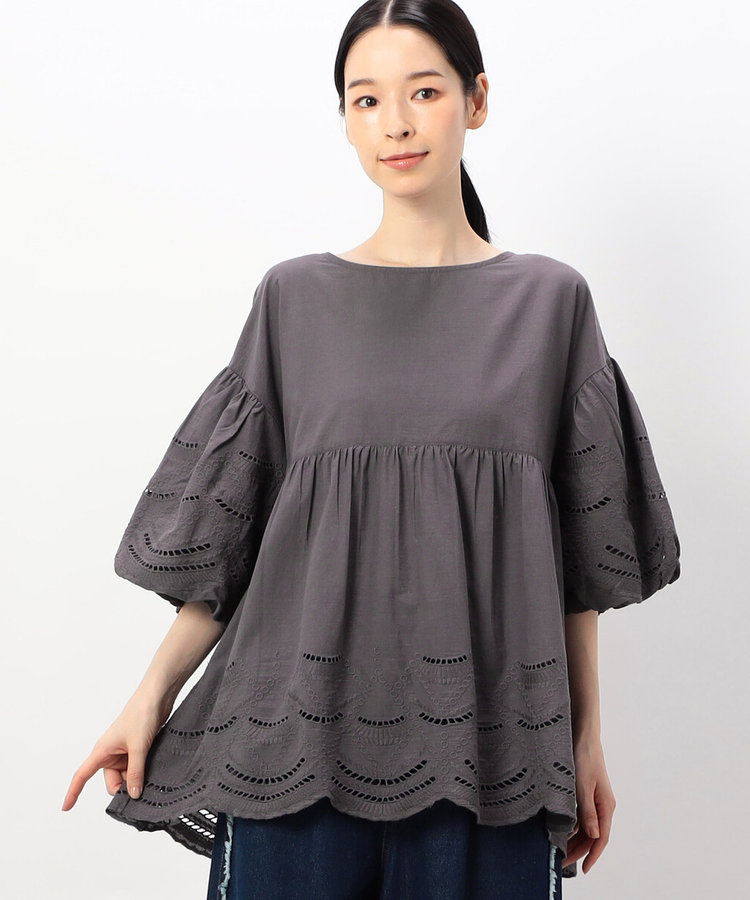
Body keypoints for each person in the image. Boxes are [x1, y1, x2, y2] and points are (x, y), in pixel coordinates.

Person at [61, 1, 681, 898]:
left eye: (424, 91)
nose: (395, 122)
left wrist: (585, 741)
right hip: (290, 758)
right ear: (346, 120)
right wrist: (148, 696)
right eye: (366, 99)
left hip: (494, 762)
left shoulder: (552, 305)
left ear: (475, 100)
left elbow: (579, 570)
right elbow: (233, 550)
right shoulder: (292, 301)